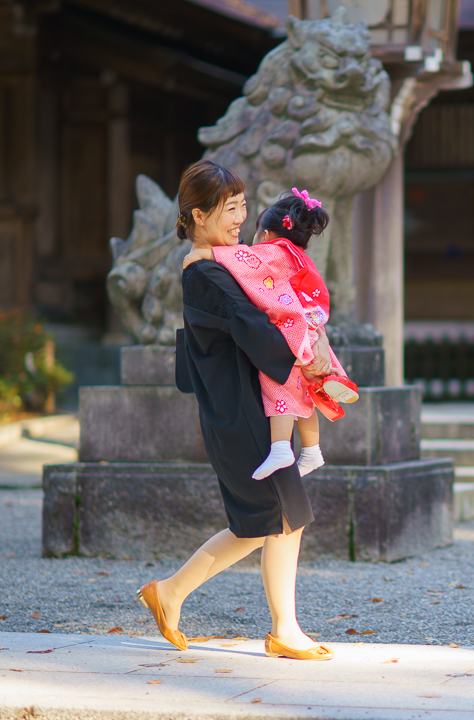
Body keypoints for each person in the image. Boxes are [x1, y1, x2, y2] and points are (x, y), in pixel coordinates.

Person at [137, 160, 334, 661]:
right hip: (241, 411)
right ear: (198, 216)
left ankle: (176, 594)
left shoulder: (222, 262)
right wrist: (306, 358)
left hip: (249, 406)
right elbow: (252, 324)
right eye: (229, 209)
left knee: (276, 517)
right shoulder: (205, 271)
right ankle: (276, 627)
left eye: (243, 206)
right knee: (276, 516)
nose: (240, 218)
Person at [194, 188, 359, 481]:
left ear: (268, 234)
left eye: (256, 233)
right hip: (310, 324)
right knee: (306, 389)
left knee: (277, 379)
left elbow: (244, 261)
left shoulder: (274, 251)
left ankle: (281, 446)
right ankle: (312, 450)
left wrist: (205, 253)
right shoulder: (299, 256)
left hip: (294, 328)